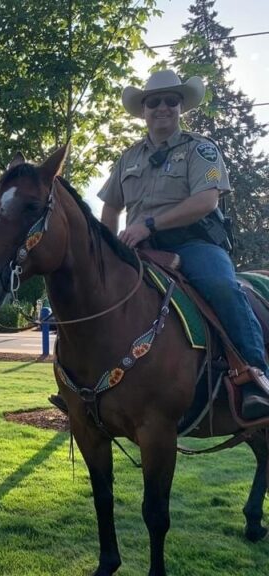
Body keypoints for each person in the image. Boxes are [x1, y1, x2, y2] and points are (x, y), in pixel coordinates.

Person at [98, 69, 269, 420]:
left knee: (222, 287)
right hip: (137, 250)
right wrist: (106, 250)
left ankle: (254, 376)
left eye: (171, 101)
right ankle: (86, 385)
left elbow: (206, 200)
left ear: (181, 107)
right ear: (143, 110)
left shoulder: (201, 150)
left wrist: (149, 224)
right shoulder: (127, 158)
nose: (163, 107)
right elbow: (112, 206)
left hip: (194, 243)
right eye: (154, 102)